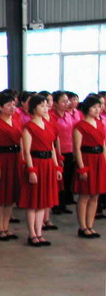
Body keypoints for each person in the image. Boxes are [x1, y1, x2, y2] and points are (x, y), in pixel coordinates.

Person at [20, 94, 62, 247]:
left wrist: (57, 167)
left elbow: (51, 148)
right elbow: (27, 151)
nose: (46, 108)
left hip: (48, 164)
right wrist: (31, 170)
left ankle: (39, 233)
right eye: (42, 105)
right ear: (34, 108)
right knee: (33, 201)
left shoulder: (49, 125)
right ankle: (32, 234)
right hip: (36, 164)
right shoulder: (29, 127)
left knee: (43, 202)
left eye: (46, 105)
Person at [73, 95, 106, 238]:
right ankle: (83, 227)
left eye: (99, 106)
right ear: (87, 108)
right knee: (85, 195)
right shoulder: (80, 126)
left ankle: (90, 225)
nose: (97, 109)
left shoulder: (100, 124)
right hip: (87, 160)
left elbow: (103, 145)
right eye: (94, 107)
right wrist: (81, 167)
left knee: (95, 195)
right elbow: (77, 148)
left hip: (99, 160)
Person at [0, 93, 23, 241]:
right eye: (8, 105)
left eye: (13, 104)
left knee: (11, 195)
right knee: (1, 196)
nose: (12, 107)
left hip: (15, 158)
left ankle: (6, 226)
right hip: (3, 159)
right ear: (0, 107)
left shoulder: (16, 120)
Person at [50, 91, 76, 214]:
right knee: (58, 179)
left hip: (70, 149)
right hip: (58, 152)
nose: (67, 103)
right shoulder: (52, 116)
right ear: (55, 103)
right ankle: (56, 204)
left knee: (67, 178)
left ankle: (64, 203)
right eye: (63, 101)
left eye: (67, 101)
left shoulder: (69, 116)